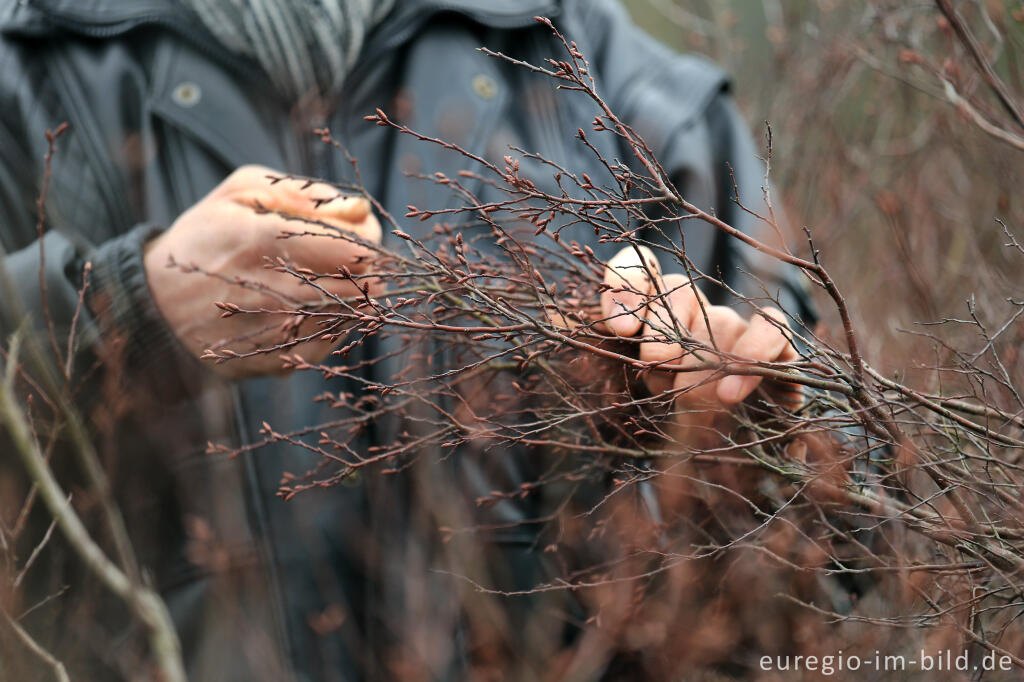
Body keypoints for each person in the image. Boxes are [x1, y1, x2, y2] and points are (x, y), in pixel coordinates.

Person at [0, 0, 815, 679]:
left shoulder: (599, 76)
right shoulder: (22, 77)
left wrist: (753, 445)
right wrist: (117, 317)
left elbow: (849, 550)